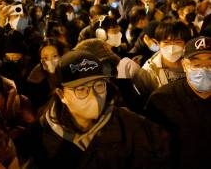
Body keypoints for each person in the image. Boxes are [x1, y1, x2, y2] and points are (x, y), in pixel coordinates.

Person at [35, 50, 172, 169]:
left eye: (99, 85)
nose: (94, 97)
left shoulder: (132, 125)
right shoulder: (40, 137)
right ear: (61, 94)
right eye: (81, 89)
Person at [145, 36, 211, 169]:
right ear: (185, 65)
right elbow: (152, 151)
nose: (204, 70)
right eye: (197, 65)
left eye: (210, 64)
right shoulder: (162, 99)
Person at [142, 20, 191, 88]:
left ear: (186, 43)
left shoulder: (194, 62)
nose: (172, 48)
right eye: (166, 42)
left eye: (178, 42)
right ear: (158, 43)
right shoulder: (149, 71)